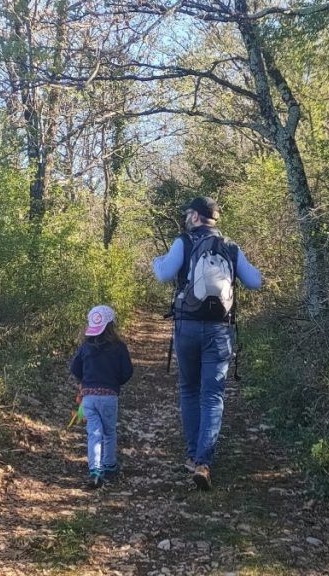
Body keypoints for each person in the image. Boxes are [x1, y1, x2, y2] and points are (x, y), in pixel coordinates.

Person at [153, 197, 262, 490]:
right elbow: (255, 282)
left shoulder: (183, 242)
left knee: (189, 390)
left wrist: (157, 261)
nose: (186, 218)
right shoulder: (231, 246)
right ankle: (204, 462)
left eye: (188, 213)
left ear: (196, 217)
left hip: (187, 327)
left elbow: (163, 274)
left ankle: (192, 456)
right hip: (220, 329)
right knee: (213, 395)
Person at [70, 305, 134, 489]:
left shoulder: (85, 347)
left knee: (93, 433)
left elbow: (75, 368)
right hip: (109, 396)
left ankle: (95, 470)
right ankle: (109, 465)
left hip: (89, 397)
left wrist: (84, 380)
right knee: (108, 432)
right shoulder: (119, 347)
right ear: (112, 325)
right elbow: (127, 372)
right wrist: (115, 383)